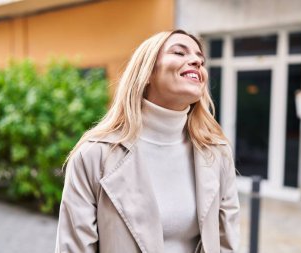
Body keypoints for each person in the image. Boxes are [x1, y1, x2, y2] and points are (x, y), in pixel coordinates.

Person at [55, 29, 240, 253]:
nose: (196, 61)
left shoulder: (218, 154)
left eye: (200, 60)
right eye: (180, 52)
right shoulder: (94, 156)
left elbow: (227, 244)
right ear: (147, 72)